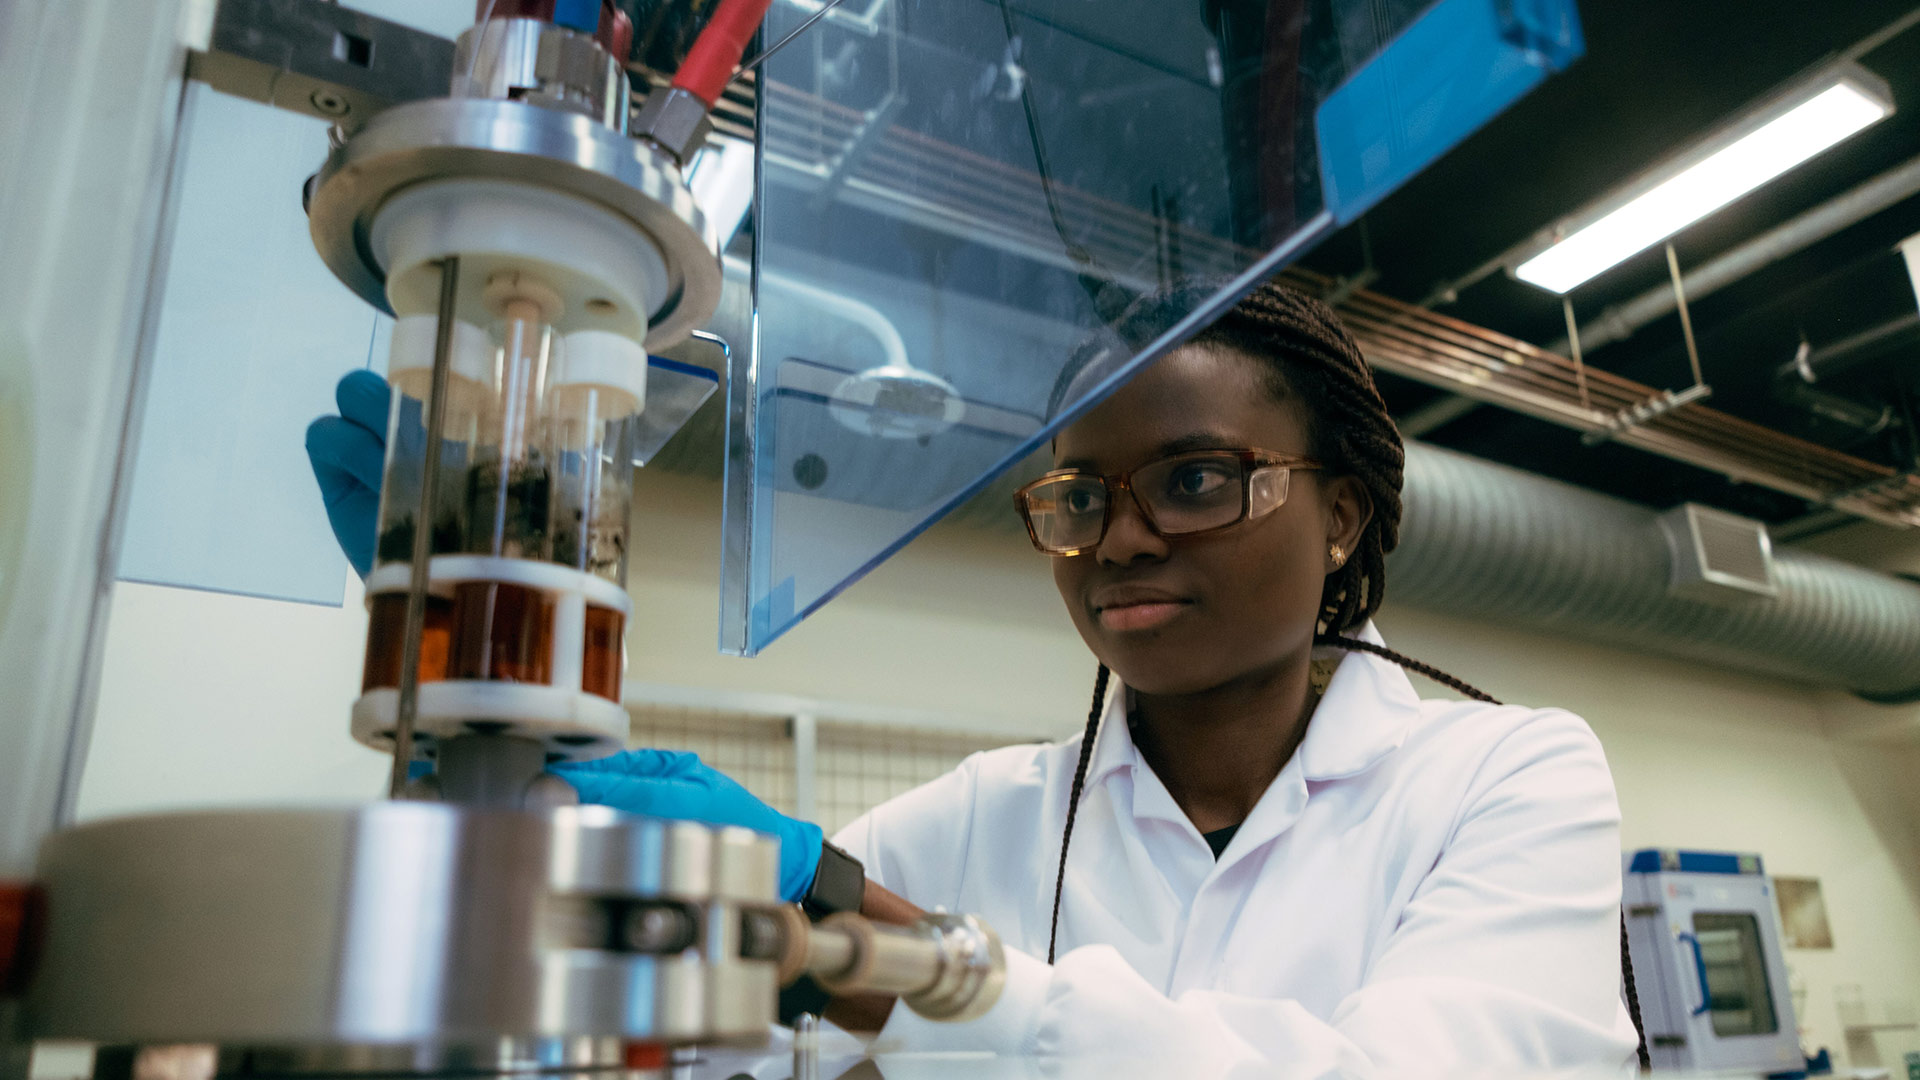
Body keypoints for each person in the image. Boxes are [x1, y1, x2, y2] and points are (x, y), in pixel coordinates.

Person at [308, 280, 1645, 1075]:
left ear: (1342, 516)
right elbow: (718, 1049)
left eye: (1192, 480)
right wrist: (504, 750)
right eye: (1077, 497)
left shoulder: (1504, 777)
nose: (1118, 538)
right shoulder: (977, 817)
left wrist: (887, 949)